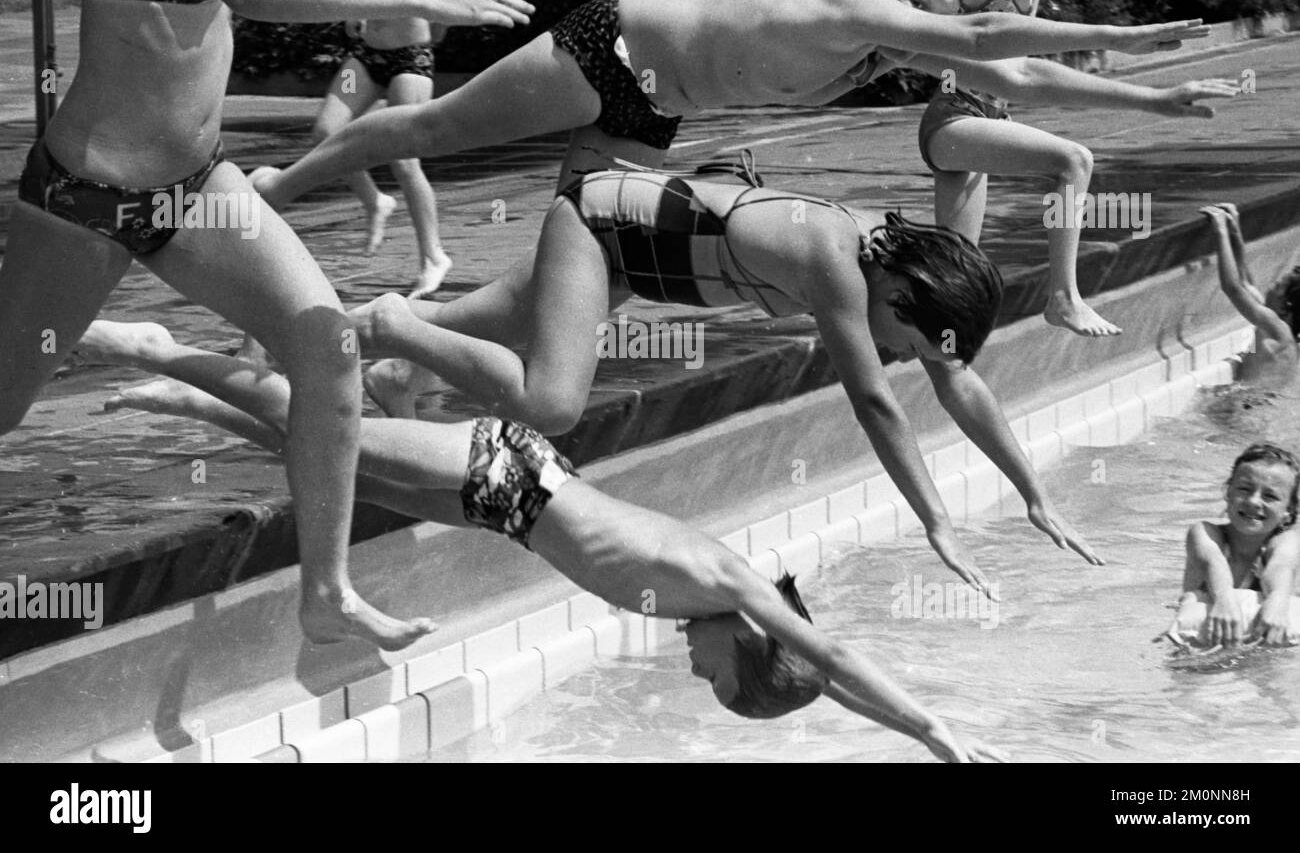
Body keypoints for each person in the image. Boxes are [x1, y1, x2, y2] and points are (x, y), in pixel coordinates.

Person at [76, 321, 1005, 762]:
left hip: (501, 508)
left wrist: (904, 731)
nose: (694, 675)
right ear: (757, 643)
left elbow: (827, 681)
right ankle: (158, 347)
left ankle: (191, 395)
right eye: (718, 677)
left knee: (321, 461)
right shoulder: (729, 582)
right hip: (510, 471)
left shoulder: (721, 606)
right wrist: (936, 732)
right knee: (319, 412)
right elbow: (832, 656)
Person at [3, 0, 532, 650]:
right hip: (89, 194)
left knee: (327, 348)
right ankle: (87, 335)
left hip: (196, 190)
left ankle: (327, 593)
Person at [347, 163, 1103, 595]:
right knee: (551, 401)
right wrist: (938, 521)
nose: (903, 359)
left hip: (629, 242)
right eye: (908, 344)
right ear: (902, 297)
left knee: (483, 322)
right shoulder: (838, 268)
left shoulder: (892, 271)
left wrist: (1031, 490)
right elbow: (875, 402)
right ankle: (394, 325)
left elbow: (957, 380)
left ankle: (382, 358)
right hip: (605, 232)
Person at [247, 0, 1216, 204]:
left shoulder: (889, 51)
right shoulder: (843, 8)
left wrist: (1153, 99)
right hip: (605, 53)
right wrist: (1129, 39)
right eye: (925, 4)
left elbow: (1019, 69)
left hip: (651, 108)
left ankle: (429, 343)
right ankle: (276, 189)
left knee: (591, 248)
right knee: (430, 131)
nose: (933, 27)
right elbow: (983, 27)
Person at [917, 0, 1222, 336]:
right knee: (1073, 162)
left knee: (956, 272)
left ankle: (878, 311)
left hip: (984, 124)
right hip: (954, 120)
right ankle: (1063, 297)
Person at [314, 0, 493, 298]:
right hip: (366, 55)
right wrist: (355, 7)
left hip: (410, 59)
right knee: (325, 132)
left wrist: (445, 17)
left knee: (404, 159)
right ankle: (375, 201)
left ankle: (433, 256)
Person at [1171, 443, 1300, 648]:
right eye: (1244, 489)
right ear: (1228, 492)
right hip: (1203, 642)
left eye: (1270, 496)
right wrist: (1223, 599)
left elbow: (1281, 566)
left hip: (1265, 643)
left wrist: (1277, 599)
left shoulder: (1287, 540)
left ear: (1289, 510)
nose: (1254, 501)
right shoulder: (1205, 532)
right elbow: (1213, 562)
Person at [1199, 203, 1300, 389]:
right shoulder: (1279, 326)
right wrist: (1234, 230)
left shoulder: (1277, 328)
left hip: (1249, 409)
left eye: (1278, 284)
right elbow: (1244, 282)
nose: (1273, 283)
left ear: (1286, 302)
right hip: (1257, 405)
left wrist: (1220, 232)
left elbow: (1232, 288)